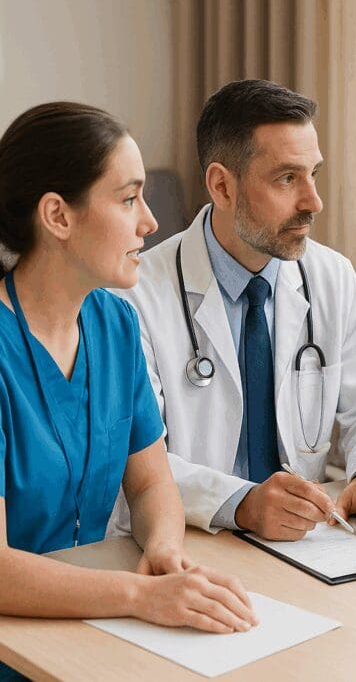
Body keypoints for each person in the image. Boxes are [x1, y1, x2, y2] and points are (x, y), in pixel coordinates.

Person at [113, 79, 356, 542]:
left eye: (313, 174)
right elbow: (135, 464)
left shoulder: (331, 276)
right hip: (191, 539)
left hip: (306, 542)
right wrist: (241, 503)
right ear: (222, 185)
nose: (313, 202)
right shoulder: (134, 298)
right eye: (286, 179)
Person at [0, 102, 257, 657]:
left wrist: (164, 551)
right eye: (127, 198)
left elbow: (149, 483)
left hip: (95, 629)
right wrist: (141, 596)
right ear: (58, 216)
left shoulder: (115, 324)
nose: (150, 221)